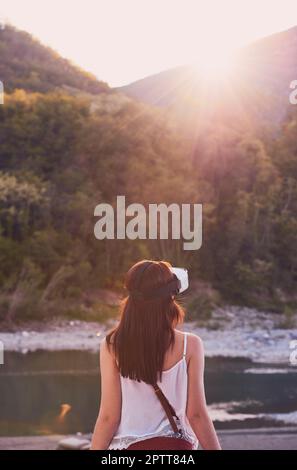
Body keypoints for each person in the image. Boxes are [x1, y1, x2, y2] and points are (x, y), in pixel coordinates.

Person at [91, 260, 221, 450]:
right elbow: (197, 415)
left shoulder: (112, 346)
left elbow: (109, 417)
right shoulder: (190, 345)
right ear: (170, 299)